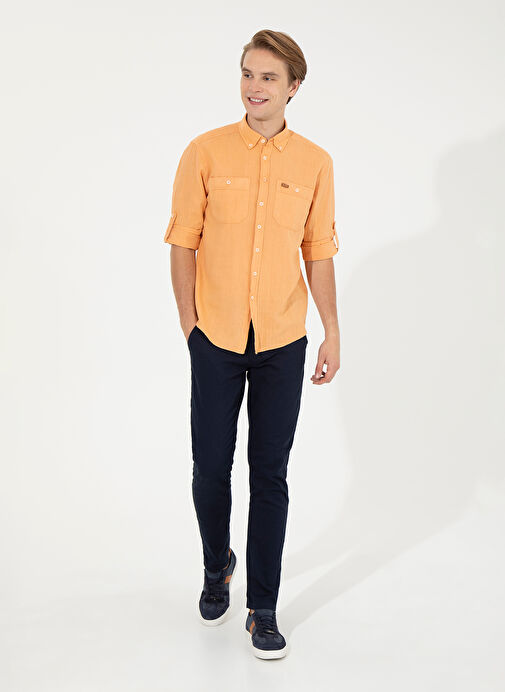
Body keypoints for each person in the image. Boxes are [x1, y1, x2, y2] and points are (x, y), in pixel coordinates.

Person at [163, 29, 341, 659]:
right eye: (247, 73)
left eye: (268, 77)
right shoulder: (204, 152)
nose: (254, 87)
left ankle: (262, 607)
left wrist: (332, 331)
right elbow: (182, 241)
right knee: (211, 468)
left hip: (283, 340)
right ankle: (218, 564)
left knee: (270, 474)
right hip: (214, 336)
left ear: (293, 87)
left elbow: (318, 251)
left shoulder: (315, 163)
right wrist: (190, 325)